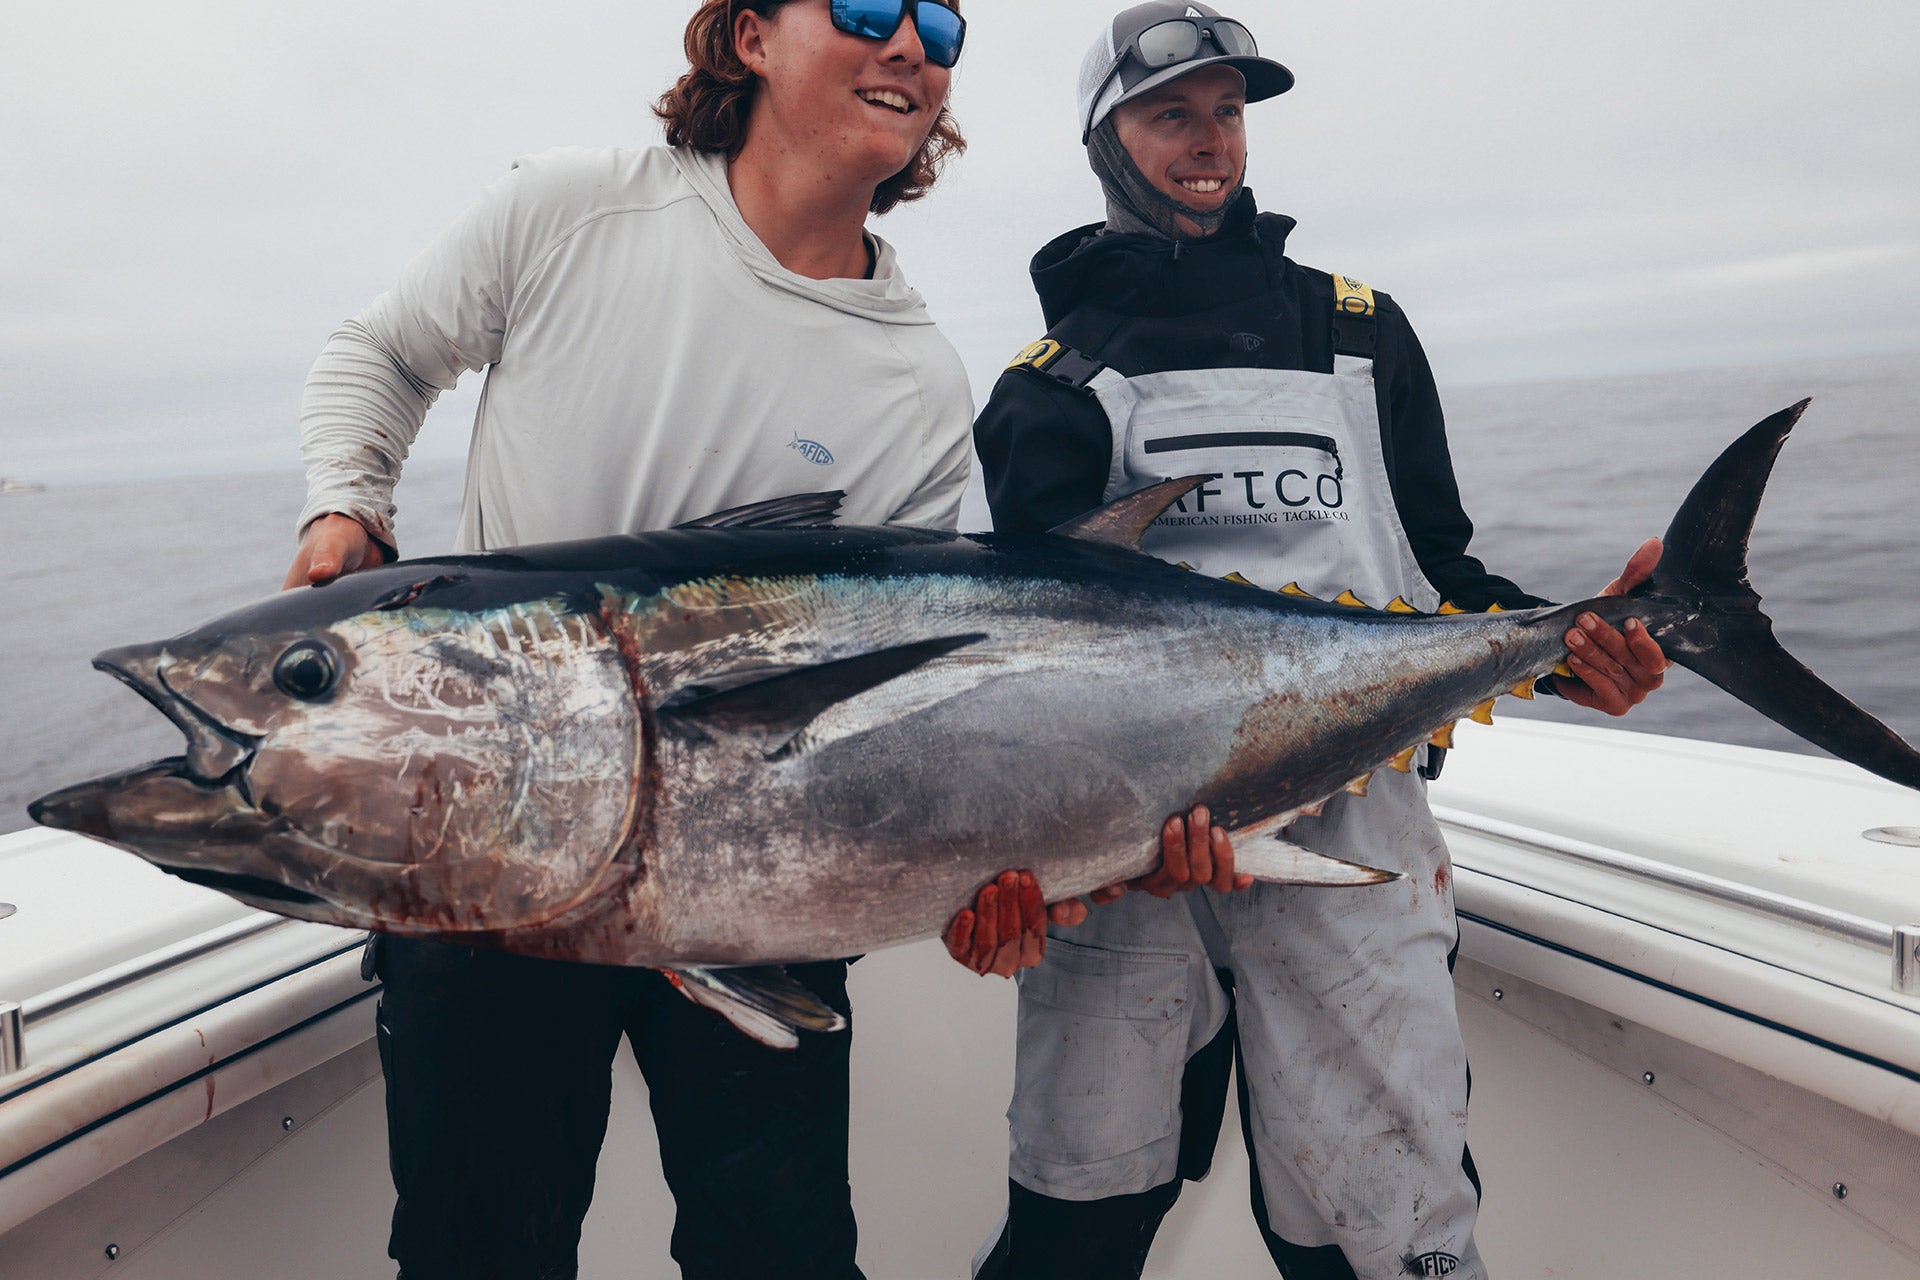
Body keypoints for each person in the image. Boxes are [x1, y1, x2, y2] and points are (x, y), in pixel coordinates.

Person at [277, 3, 1031, 1277]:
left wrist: (978, 868)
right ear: (747, 38)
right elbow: (383, 351)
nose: (912, 43)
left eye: (942, 19)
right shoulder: (571, 211)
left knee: (780, 1255)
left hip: (759, 895)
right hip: (484, 870)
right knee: (478, 1253)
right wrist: (349, 497)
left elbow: (890, 704)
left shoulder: (919, 382)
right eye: (863, 6)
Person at [967, 5, 1669, 1278]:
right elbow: (1035, 668)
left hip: (1354, 845)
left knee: (1383, 1234)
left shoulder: (1359, 329)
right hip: (1129, 868)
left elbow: (1440, 582)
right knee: (1076, 1220)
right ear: (1105, 140)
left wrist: (1577, 649)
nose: (1208, 141)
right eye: (1170, 113)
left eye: (1228, 112)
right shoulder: (1049, 386)